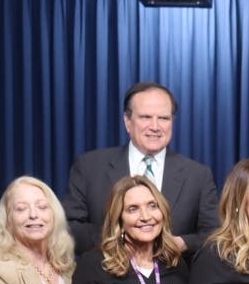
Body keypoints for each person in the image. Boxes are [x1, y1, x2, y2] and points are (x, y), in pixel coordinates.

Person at [62, 82, 220, 255]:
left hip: (175, 276)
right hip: (106, 275)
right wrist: (120, 240)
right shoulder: (90, 167)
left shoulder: (197, 175)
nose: (155, 126)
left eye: (164, 118)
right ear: (127, 122)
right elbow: (70, 227)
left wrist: (182, 243)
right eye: (145, 117)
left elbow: (215, 233)